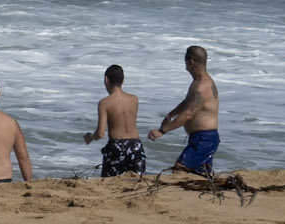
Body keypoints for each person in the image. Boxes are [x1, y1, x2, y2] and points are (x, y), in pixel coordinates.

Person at [149, 44, 220, 176]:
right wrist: (171, 113)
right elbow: (189, 102)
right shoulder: (198, 82)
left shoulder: (202, 85)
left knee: (180, 169)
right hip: (202, 137)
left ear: (191, 61)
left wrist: (162, 131)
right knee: (201, 174)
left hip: (204, 138)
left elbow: (188, 114)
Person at [83, 64, 144, 177]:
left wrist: (90, 137)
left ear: (106, 80)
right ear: (123, 80)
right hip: (136, 145)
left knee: (109, 182)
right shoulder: (134, 99)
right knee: (137, 182)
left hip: (117, 146)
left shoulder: (105, 103)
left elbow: (100, 134)